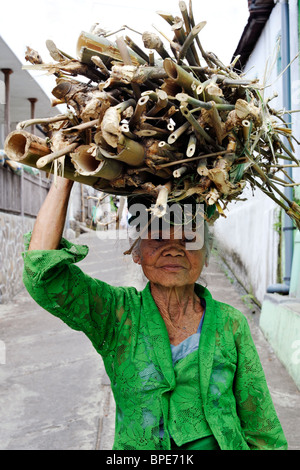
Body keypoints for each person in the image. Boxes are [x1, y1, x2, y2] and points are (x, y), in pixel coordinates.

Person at [22, 176, 288, 451]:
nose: (173, 249)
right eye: (158, 236)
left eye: (188, 237)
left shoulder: (232, 324)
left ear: (207, 253)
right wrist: (64, 178)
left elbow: (263, 430)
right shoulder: (117, 314)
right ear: (136, 252)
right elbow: (43, 276)